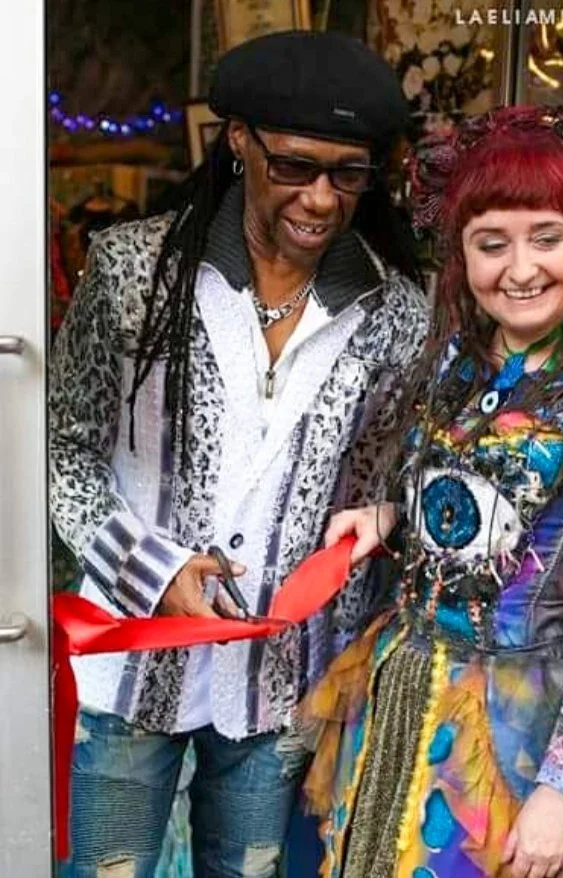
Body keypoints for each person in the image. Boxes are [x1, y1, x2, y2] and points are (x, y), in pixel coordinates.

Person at [49, 30, 428, 878]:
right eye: (294, 166)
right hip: (132, 661)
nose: (321, 199)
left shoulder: (396, 314)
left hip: (279, 683)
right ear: (239, 143)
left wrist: (383, 525)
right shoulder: (134, 272)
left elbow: (380, 481)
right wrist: (154, 571)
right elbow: (64, 454)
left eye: (348, 174)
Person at [301, 105, 563, 878]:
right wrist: (388, 517)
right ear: (462, 255)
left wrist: (561, 792)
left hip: (526, 729)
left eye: (546, 237)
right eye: (492, 243)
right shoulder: (456, 360)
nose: (520, 268)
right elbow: (469, 510)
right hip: (404, 696)